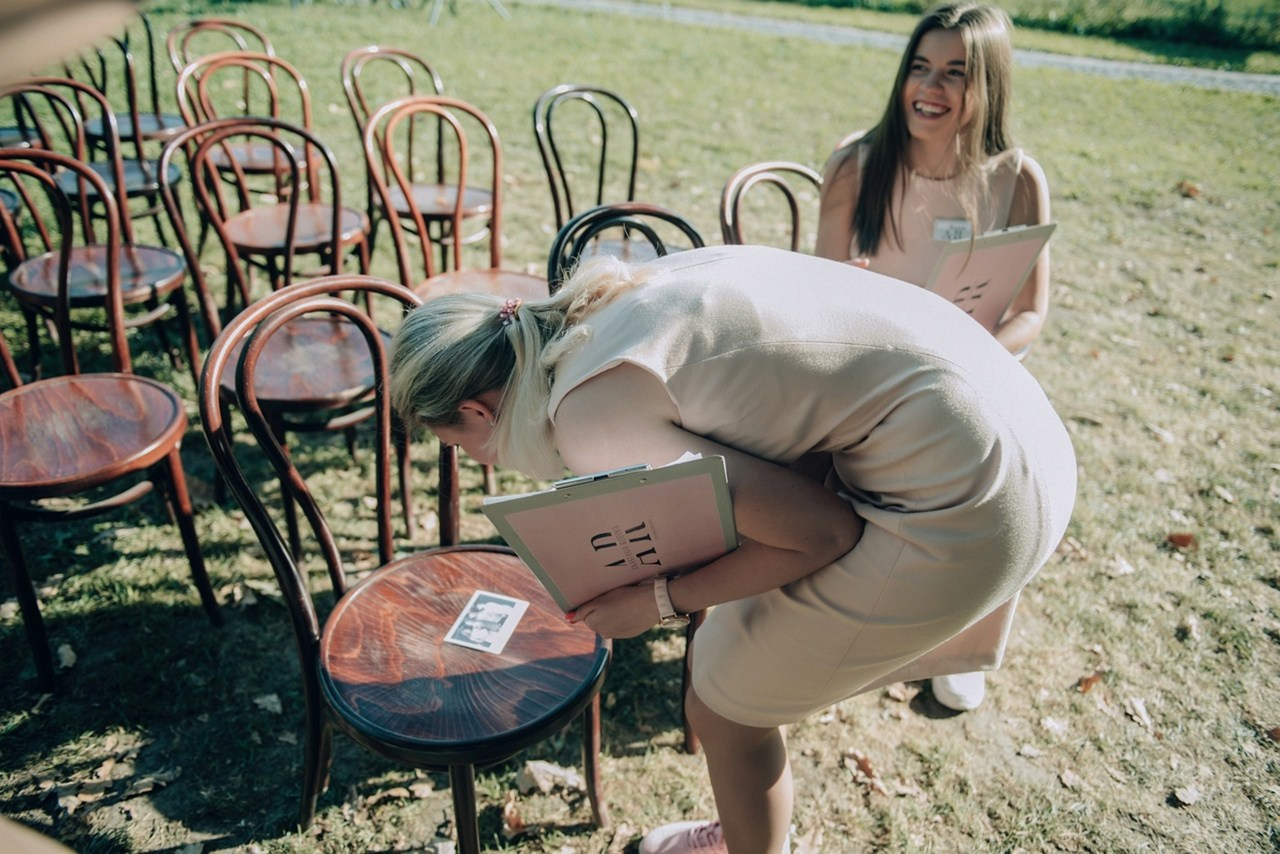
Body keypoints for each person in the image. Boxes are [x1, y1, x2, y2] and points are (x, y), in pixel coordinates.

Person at [389, 244, 1076, 853]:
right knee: (741, 665)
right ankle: (751, 829)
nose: (483, 460)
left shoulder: (588, 419)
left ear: (477, 412)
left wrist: (654, 601)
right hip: (1016, 416)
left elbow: (820, 533)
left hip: (973, 495)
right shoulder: (609, 298)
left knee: (721, 707)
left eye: (462, 447)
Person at [815, 1, 1052, 711]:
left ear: (989, 86)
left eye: (954, 72)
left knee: (1013, 468)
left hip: (978, 370)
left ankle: (960, 649)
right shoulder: (858, 163)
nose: (930, 86)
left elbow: (1032, 311)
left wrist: (975, 363)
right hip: (878, 368)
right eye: (920, 67)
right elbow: (820, 292)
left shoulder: (1018, 178)